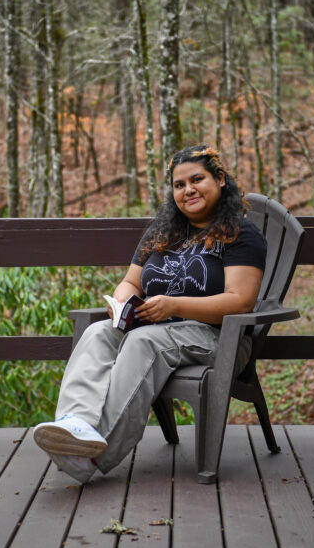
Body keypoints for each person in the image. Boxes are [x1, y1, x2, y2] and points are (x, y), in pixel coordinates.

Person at [32, 145, 267, 483]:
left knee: (144, 341)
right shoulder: (163, 231)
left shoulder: (241, 234)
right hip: (155, 325)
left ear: (219, 180)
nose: (188, 190)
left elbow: (239, 302)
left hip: (217, 337)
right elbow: (131, 281)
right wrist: (121, 305)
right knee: (99, 332)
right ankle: (76, 424)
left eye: (197, 179)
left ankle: (94, 457)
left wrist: (174, 306)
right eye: (179, 184)